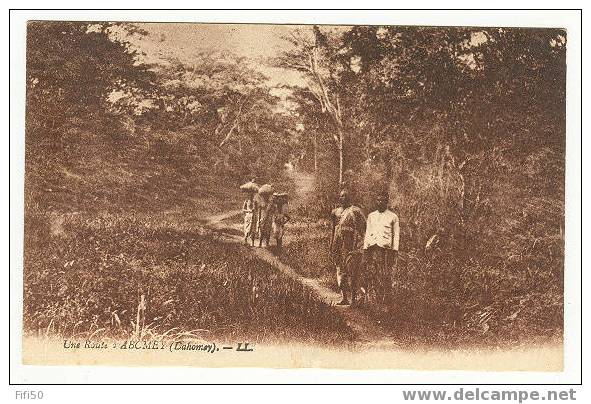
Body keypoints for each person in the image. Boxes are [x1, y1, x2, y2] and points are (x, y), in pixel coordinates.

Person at [363, 190, 400, 304]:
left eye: (382, 200)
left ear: (386, 202)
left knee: (385, 274)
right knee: (372, 273)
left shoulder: (393, 217)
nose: (379, 202)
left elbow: (396, 235)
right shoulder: (371, 216)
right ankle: (373, 298)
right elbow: (368, 232)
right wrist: (366, 248)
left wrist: (394, 250)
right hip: (373, 249)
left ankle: (386, 299)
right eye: (378, 200)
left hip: (386, 250)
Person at [330, 190, 366, 305]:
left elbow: (363, 228)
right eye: (341, 196)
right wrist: (332, 244)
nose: (343, 198)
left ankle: (354, 299)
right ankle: (344, 297)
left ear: (350, 198)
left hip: (351, 246)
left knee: (353, 272)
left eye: (346, 196)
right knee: (340, 271)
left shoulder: (355, 211)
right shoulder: (335, 212)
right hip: (339, 245)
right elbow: (333, 229)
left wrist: (362, 244)